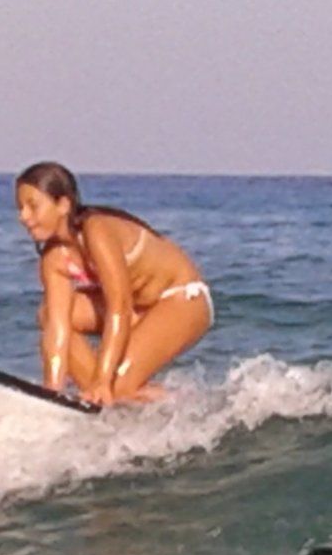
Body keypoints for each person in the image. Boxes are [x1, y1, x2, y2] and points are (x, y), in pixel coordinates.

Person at [15, 162, 213, 406]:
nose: (23, 216)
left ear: (63, 205)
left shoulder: (96, 230)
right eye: (20, 208)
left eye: (33, 207)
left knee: (116, 386)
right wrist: (51, 392)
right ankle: (104, 401)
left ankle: (189, 407)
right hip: (136, 311)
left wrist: (103, 380)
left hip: (181, 300)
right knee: (48, 313)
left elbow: (118, 306)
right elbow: (58, 327)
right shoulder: (54, 258)